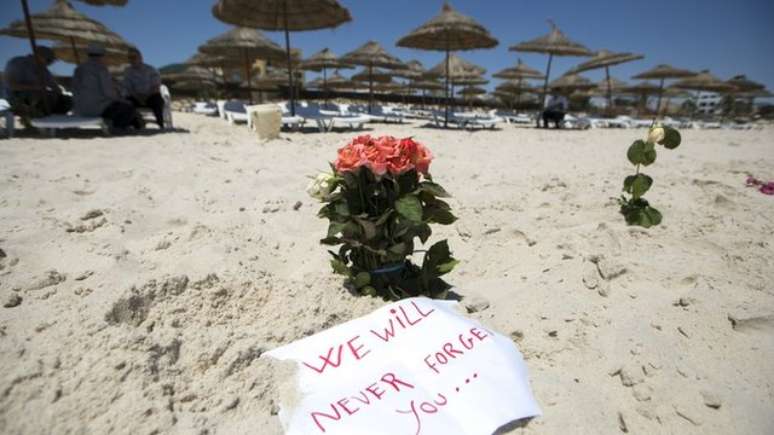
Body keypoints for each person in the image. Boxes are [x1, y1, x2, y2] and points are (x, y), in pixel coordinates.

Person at [72, 43, 143, 131]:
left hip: (80, 109)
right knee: (129, 107)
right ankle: (117, 128)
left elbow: (75, 90)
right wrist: (120, 99)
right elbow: (108, 92)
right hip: (97, 109)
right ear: (102, 55)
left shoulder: (78, 69)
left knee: (123, 106)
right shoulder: (101, 69)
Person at [3, 46, 72, 124]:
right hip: (17, 96)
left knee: (66, 100)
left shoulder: (43, 69)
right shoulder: (18, 63)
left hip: (40, 95)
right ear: (39, 56)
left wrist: (60, 94)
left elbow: (53, 85)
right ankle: (31, 121)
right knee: (39, 98)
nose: (50, 63)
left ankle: (54, 122)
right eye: (49, 60)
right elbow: (12, 85)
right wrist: (34, 87)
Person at [122, 47, 165, 129]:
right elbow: (128, 88)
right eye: (130, 58)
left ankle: (160, 124)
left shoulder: (151, 69)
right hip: (135, 96)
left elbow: (156, 86)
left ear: (141, 57)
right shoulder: (127, 72)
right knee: (126, 102)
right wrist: (137, 97)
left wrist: (146, 96)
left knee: (158, 100)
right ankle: (135, 124)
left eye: (134, 57)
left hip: (150, 95)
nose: (132, 60)